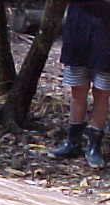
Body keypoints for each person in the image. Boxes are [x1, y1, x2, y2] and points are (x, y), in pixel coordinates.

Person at [49, 0, 110, 168]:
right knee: (77, 90)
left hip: (106, 33)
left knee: (102, 92)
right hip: (78, 30)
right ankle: (72, 142)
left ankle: (94, 146)